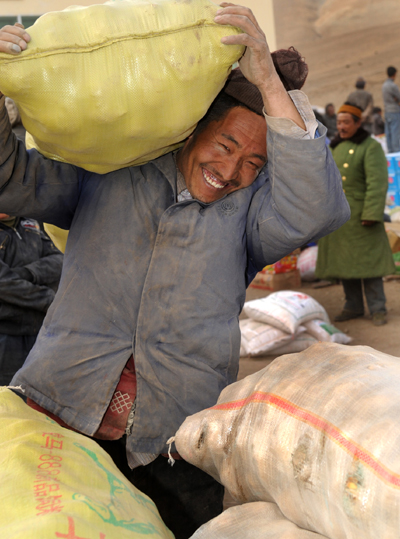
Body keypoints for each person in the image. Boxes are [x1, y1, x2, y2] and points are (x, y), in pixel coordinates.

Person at [0, 7, 350, 538]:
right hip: (63, 412)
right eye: (225, 146)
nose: (232, 171)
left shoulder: (251, 216)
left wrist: (268, 82)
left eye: (254, 165)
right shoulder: (111, 175)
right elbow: (12, 178)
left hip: (175, 441)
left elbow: (319, 209)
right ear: (190, 132)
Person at [316, 102, 395, 326]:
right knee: (345, 264)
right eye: (339, 122)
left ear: (358, 123)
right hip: (339, 217)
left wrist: (371, 212)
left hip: (362, 216)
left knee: (369, 265)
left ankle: (378, 308)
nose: (341, 127)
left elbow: (377, 183)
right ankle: (353, 306)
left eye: (346, 122)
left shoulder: (370, 147)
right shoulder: (335, 146)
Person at [0, 213, 63, 385]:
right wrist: (49, 299)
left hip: (38, 333)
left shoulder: (31, 222)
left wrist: (26, 273)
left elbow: (59, 260)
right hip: (5, 335)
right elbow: (3, 285)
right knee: (6, 401)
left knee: (36, 396)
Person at [382, 66, 400, 153]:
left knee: (388, 132)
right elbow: (398, 97)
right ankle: (397, 152)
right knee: (395, 132)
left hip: (387, 111)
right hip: (394, 110)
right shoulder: (393, 86)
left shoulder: (384, 85)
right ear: (394, 74)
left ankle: (390, 151)